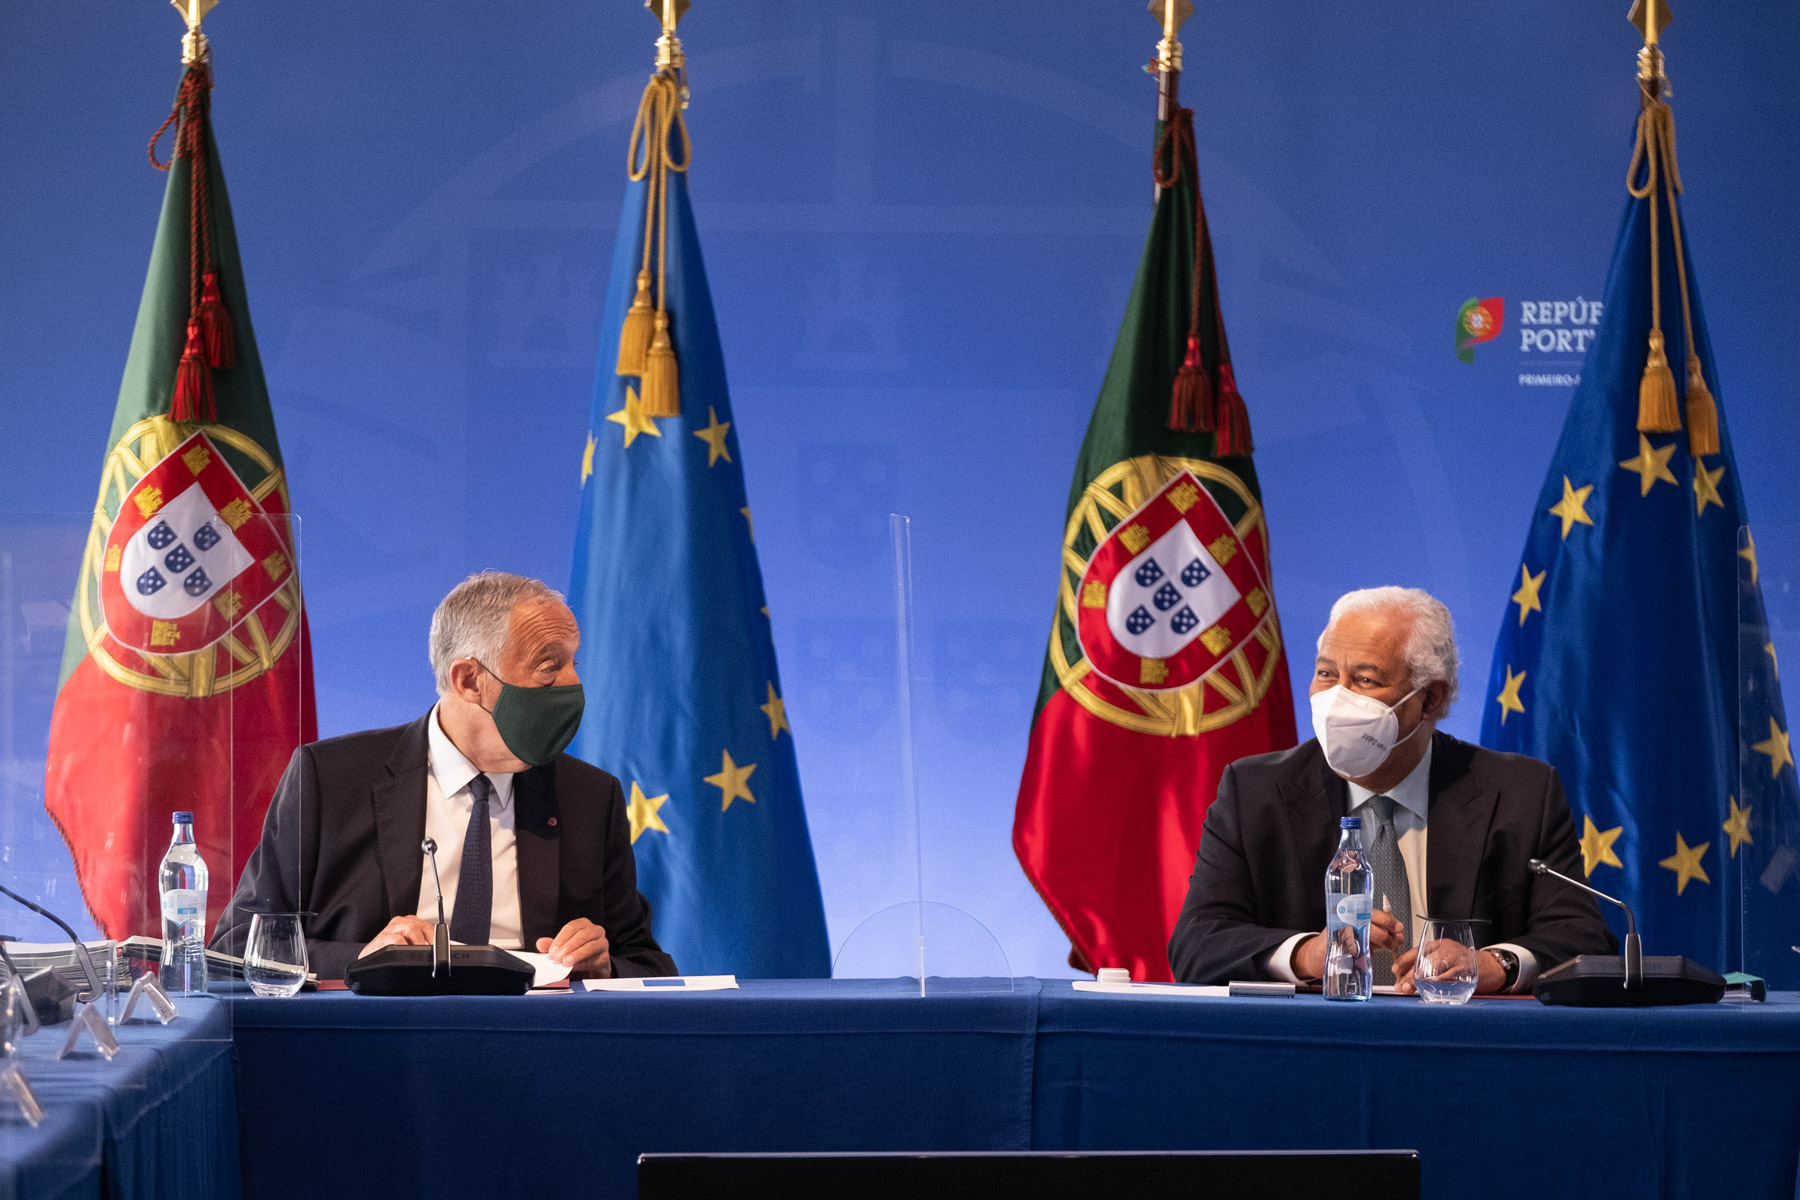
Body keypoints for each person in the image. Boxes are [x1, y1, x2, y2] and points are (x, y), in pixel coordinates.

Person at [215, 571, 676, 981]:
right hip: (377, 1034)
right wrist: (363, 958)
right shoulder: (330, 779)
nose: (573, 683)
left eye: (575, 663)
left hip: (534, 1036)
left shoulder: (590, 796)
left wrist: (603, 963)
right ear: (469, 680)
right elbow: (235, 947)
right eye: (549, 666)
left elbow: (647, 963)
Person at [1167, 586, 1613, 993]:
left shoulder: (1520, 794)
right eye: (1326, 673)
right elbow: (1196, 943)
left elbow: (1583, 937)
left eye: (1365, 680)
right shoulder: (1255, 792)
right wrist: (1308, 954)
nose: (1337, 699)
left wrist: (1493, 964)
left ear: (1430, 699)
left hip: (1461, 1042)